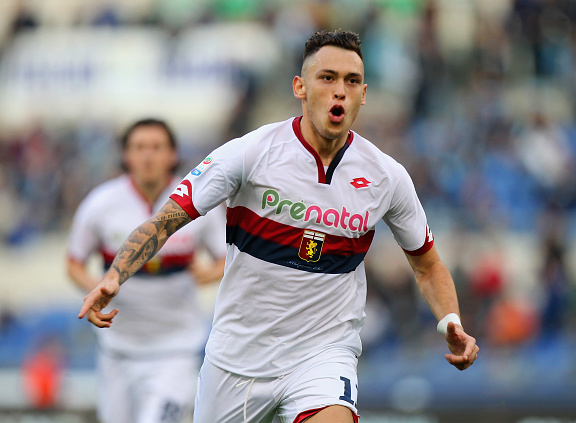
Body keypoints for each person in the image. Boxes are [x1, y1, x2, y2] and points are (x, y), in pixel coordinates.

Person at [79, 31, 479, 423]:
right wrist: (115, 275)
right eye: (327, 78)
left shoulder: (386, 177)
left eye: (351, 81)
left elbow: (427, 265)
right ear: (300, 87)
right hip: (237, 359)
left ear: (363, 94)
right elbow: (165, 222)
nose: (340, 91)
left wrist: (451, 322)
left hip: (323, 354)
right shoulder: (249, 154)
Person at [68, 118, 227, 423]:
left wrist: (210, 273)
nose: (148, 156)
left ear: (172, 154)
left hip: (176, 351)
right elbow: (73, 262)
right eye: (139, 147)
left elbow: (227, 257)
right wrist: (95, 287)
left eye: (156, 147)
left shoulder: (198, 203)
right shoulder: (100, 204)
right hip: (117, 351)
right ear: (125, 155)